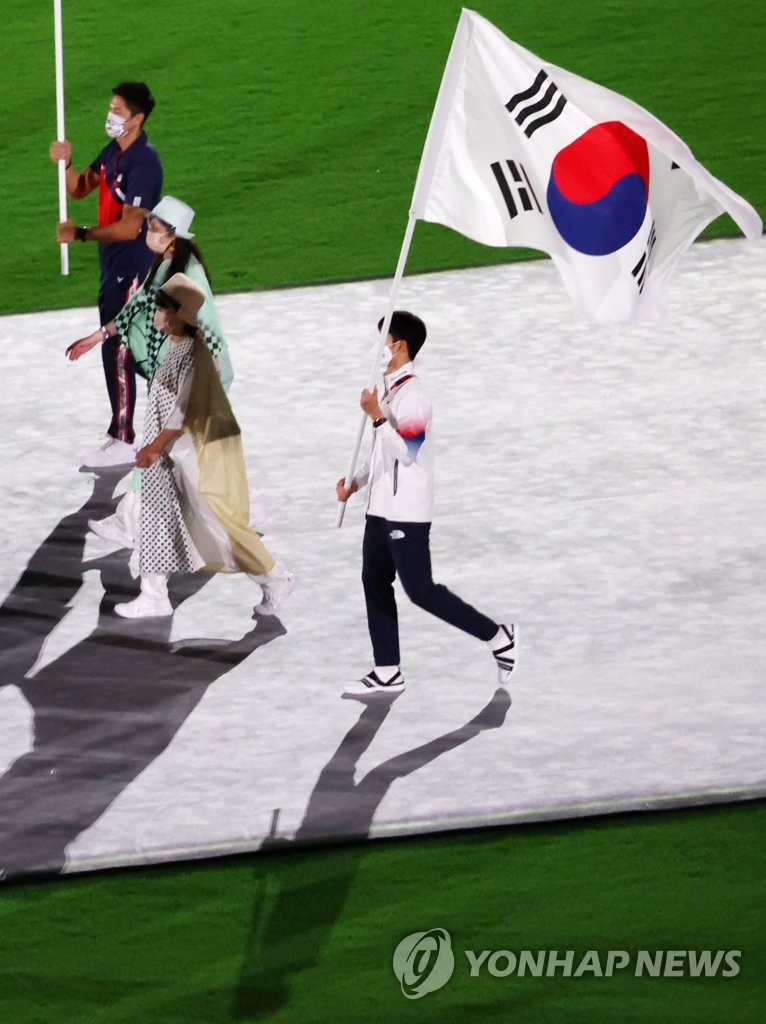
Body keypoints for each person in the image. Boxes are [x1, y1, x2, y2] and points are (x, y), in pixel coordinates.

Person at [336, 311, 515, 696]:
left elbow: (408, 452)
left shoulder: (414, 396)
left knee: (421, 591)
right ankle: (387, 670)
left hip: (407, 513)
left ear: (399, 346)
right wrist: (356, 482)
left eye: (381, 339)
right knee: (374, 582)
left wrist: (376, 418)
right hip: (379, 510)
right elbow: (381, 454)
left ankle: (498, 636)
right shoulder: (389, 391)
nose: (376, 348)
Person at [114, 272, 295, 619]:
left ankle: (274, 577)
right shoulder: (178, 347)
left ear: (177, 313)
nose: (156, 314)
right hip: (168, 456)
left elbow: (181, 411)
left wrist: (154, 447)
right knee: (155, 518)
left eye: (161, 308)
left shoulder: (192, 356)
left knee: (217, 527)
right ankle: (154, 593)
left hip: (179, 456)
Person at [65, 196, 233, 548]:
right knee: (179, 458)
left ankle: (130, 521)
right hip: (177, 375)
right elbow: (136, 306)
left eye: (155, 228)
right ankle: (230, 517)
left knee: (157, 451)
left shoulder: (187, 277)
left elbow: (211, 332)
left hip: (195, 377)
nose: (148, 231)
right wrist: (97, 337)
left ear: (172, 236)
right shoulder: (165, 266)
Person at [50, 81, 163, 468]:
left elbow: (133, 228)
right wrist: (65, 164)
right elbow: (81, 188)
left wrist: (80, 234)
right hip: (111, 264)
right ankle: (129, 430)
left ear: (137, 118)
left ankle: (125, 437)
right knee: (122, 349)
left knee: (120, 349)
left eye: (117, 111)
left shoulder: (144, 164)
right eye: (111, 108)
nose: (110, 116)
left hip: (131, 265)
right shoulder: (114, 153)